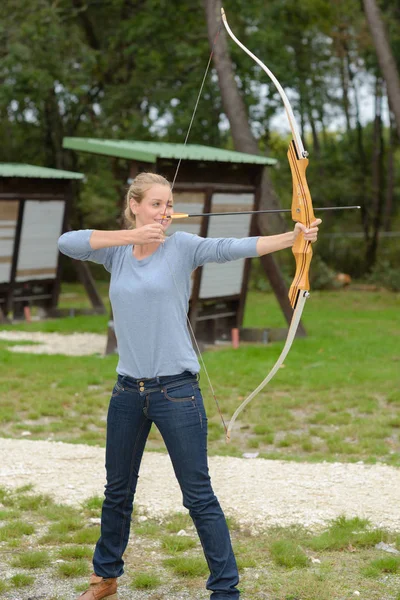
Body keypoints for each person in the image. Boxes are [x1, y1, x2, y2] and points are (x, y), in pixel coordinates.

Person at [58, 172, 321, 600]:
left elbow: (231, 248)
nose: (165, 213)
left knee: (198, 496)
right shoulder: (117, 253)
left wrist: (291, 239)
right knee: (117, 491)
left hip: (176, 392)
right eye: (157, 204)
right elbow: (67, 242)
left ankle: (225, 591)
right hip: (127, 392)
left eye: (169, 204)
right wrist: (128, 236)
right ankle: (104, 578)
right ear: (135, 204)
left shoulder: (180, 247)